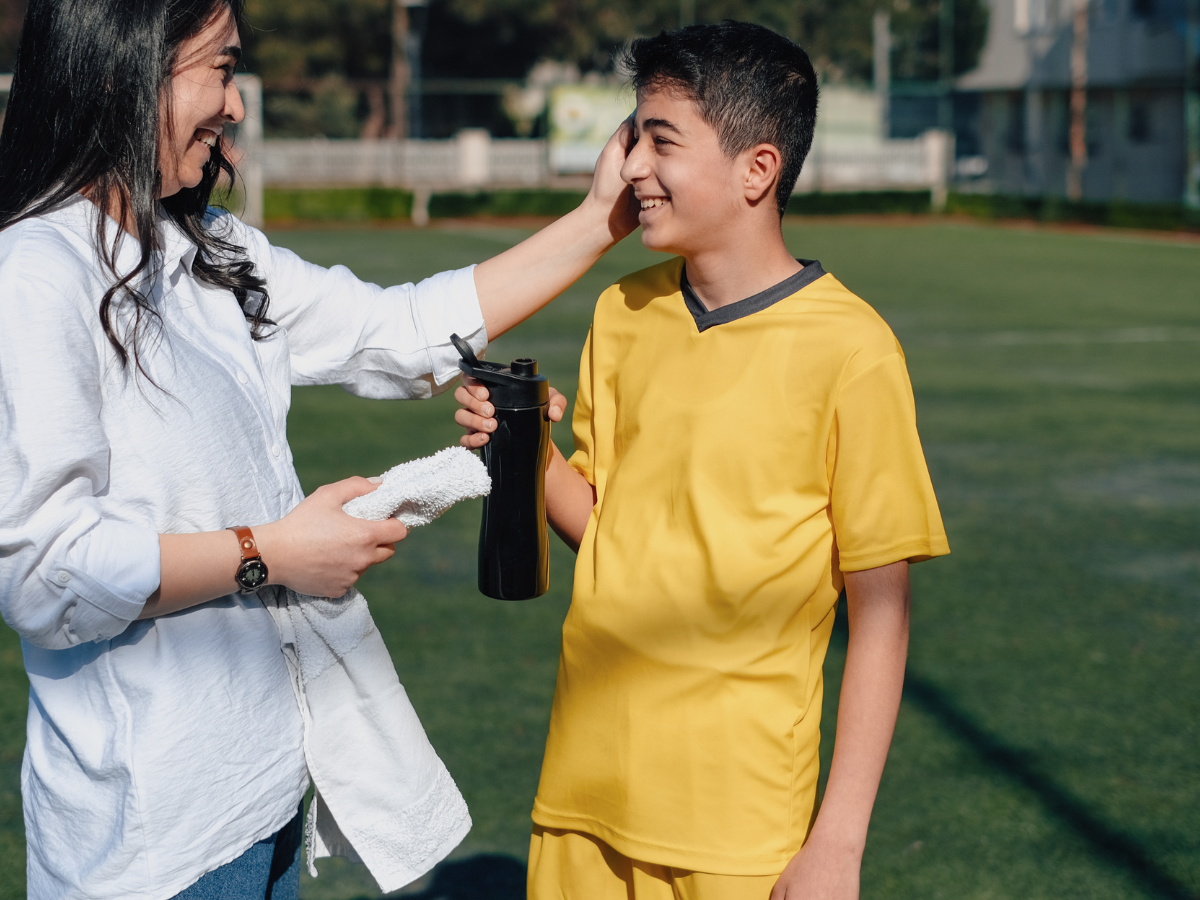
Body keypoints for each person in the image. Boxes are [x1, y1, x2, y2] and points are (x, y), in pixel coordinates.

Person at [0, 0, 637, 898]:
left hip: (265, 801)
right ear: (124, 68)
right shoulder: (38, 272)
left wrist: (601, 216)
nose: (237, 103)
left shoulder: (209, 249)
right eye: (220, 69)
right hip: (150, 841)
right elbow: (41, 571)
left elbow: (401, 330)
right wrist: (273, 555)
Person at [455, 22, 951, 900]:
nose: (632, 167)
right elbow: (606, 533)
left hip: (739, 824)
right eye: (633, 136)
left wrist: (837, 842)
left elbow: (881, 617)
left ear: (758, 169)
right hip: (581, 792)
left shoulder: (854, 350)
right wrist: (524, 448)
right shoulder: (624, 311)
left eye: (661, 140)